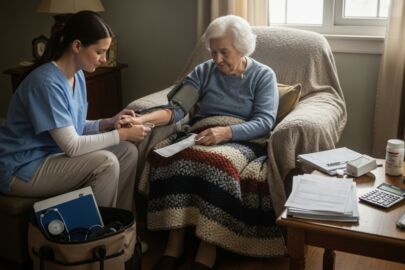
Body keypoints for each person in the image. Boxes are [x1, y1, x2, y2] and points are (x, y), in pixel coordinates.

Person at [143, 15, 283, 270]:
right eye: (213, 51)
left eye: (224, 52)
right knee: (172, 157)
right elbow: (178, 107)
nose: (217, 59)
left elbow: (265, 122)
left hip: (243, 137)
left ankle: (207, 250)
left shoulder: (263, 75)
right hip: (202, 131)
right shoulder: (203, 70)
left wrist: (226, 133)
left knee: (216, 164)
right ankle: (174, 246)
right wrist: (145, 119)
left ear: (242, 48)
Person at [0, 11, 158, 212]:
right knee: (106, 162)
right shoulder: (46, 83)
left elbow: (75, 127)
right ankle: (97, 239)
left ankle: (120, 229)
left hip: (51, 156)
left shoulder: (78, 75)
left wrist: (108, 122)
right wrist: (120, 134)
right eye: (99, 52)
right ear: (76, 46)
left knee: (127, 151)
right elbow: (72, 145)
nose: (104, 59)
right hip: (21, 168)